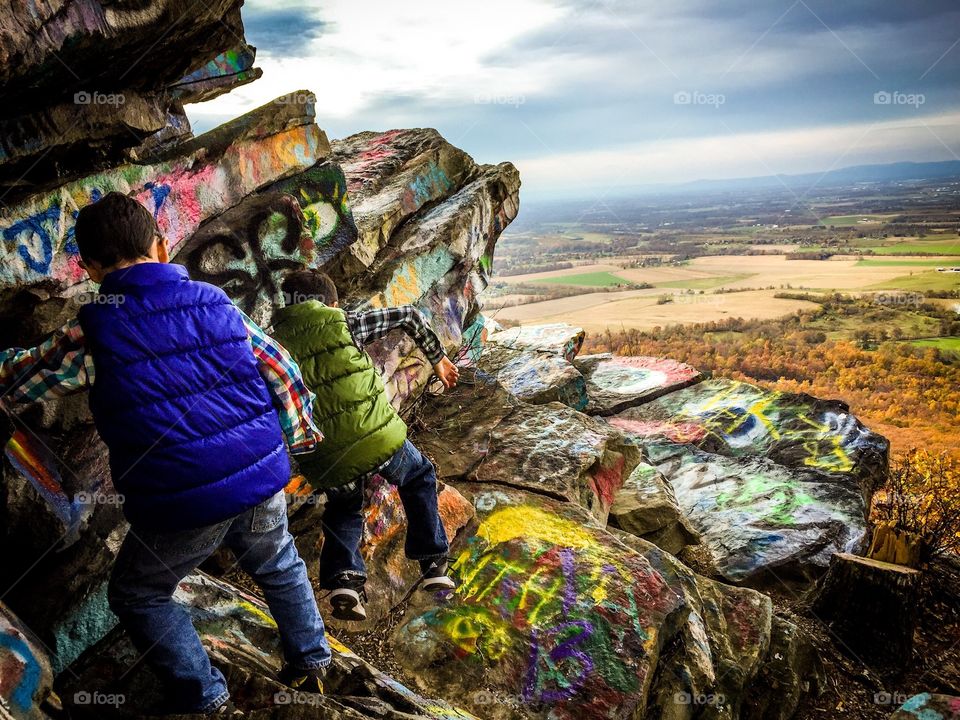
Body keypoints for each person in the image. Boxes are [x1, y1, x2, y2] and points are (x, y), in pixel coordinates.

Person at [0, 193, 330, 715]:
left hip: (184, 495)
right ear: (160, 244)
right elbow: (282, 368)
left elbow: (17, 380)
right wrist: (303, 437)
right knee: (278, 560)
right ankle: (311, 662)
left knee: (138, 594)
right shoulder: (216, 302)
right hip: (261, 468)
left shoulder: (94, 328)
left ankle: (204, 696)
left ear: (87, 266)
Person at [270, 269, 460, 622]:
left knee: (344, 506)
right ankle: (433, 562)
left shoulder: (273, 344)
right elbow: (409, 315)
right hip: (377, 438)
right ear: (332, 302)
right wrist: (438, 359)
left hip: (324, 455)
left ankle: (346, 581)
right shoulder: (346, 322)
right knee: (418, 476)